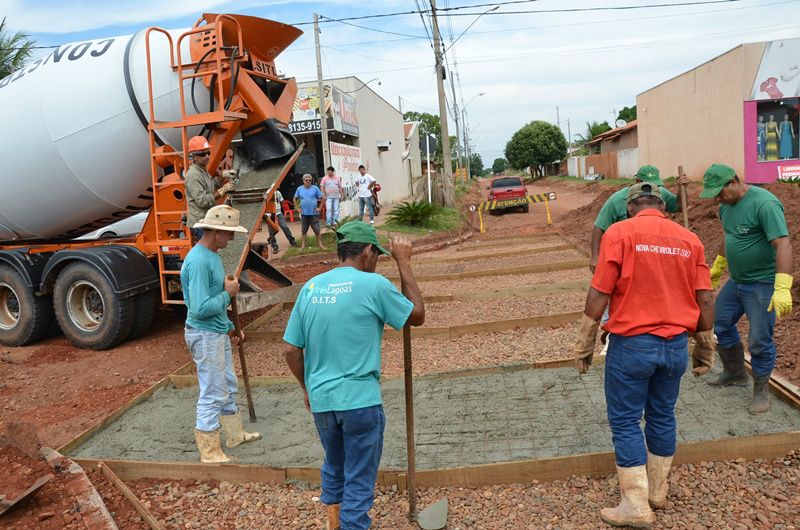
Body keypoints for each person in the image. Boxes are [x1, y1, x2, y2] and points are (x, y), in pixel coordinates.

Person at [575, 182, 715, 528]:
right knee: (663, 415)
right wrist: (705, 345)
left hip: (633, 346)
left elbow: (599, 292)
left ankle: (635, 505)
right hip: (675, 347)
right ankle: (657, 491)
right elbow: (706, 299)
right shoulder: (689, 239)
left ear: (629, 207)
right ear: (663, 208)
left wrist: (584, 343)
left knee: (625, 420)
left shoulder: (621, 233)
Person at [283, 222, 425, 530]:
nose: (377, 262)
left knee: (335, 466)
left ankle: (334, 523)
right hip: (359, 401)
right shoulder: (373, 285)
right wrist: (404, 263)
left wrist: (307, 388)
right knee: (359, 481)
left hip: (322, 401)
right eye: (378, 255)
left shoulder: (311, 287)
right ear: (367, 250)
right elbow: (416, 315)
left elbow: (291, 351)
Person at [699, 164, 793, 415]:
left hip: (762, 283)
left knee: (760, 341)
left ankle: (761, 391)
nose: (717, 199)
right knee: (719, 323)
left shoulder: (765, 204)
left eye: (719, 193)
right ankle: (735, 372)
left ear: (732, 182)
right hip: (737, 280)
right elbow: (728, 235)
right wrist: (718, 267)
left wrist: (782, 286)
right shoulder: (725, 206)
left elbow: (782, 243)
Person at [181, 205, 261, 463]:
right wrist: (229, 293)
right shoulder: (198, 261)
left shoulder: (213, 256)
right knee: (213, 391)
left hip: (214, 332)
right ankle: (209, 451)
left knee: (226, 384)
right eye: (229, 233)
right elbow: (200, 308)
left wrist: (229, 328)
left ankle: (234, 434)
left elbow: (213, 303)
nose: (232, 239)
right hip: (204, 335)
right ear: (214, 231)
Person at [590, 165, 689, 274]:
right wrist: (595, 257)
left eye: (656, 185)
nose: (653, 189)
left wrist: (682, 188)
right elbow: (599, 227)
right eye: (649, 184)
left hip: (649, 250)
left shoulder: (659, 193)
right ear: (638, 181)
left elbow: (680, 207)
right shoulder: (616, 200)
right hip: (624, 252)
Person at [184, 136, 236, 240]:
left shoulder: (202, 170)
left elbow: (211, 186)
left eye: (208, 153)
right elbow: (203, 201)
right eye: (203, 154)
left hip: (207, 220)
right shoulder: (194, 175)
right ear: (193, 156)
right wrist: (222, 190)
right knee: (206, 252)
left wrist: (223, 176)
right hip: (200, 224)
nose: (207, 156)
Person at [293, 174, 327, 251]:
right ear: (303, 181)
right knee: (304, 231)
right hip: (304, 214)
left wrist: (320, 208)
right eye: (306, 180)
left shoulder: (315, 188)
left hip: (314, 214)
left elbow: (323, 198)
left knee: (317, 230)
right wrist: (298, 208)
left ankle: (320, 244)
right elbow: (294, 199)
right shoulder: (300, 189)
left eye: (309, 180)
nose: (308, 181)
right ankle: (303, 245)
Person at [265, 189, 299, 254]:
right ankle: (274, 246)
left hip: (278, 214)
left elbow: (282, 202)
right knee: (271, 231)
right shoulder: (266, 194)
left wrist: (277, 208)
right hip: (269, 215)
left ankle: (292, 241)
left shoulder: (277, 192)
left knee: (285, 227)